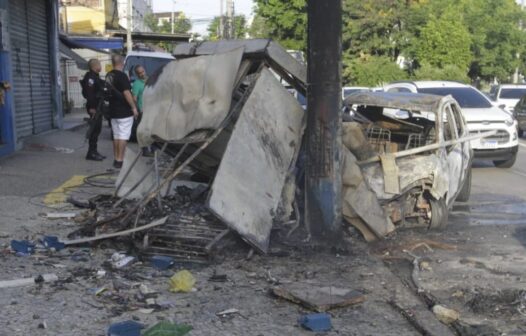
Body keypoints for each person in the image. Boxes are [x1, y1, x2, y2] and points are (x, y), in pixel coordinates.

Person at [106, 54, 138, 169]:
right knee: (123, 136)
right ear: (122, 62)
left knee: (116, 136)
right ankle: (120, 160)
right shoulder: (122, 75)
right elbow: (126, 93)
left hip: (113, 111)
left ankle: (116, 158)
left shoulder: (109, 75)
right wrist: (134, 107)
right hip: (124, 111)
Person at [82, 59, 106, 161]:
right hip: (94, 107)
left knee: (97, 129)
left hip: (98, 106)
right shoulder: (90, 78)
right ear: (95, 66)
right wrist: (92, 108)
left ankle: (94, 151)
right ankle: (91, 153)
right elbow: (90, 94)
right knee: (94, 130)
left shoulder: (95, 77)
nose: (101, 66)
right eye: (100, 64)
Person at [131, 65, 152, 156]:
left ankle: (153, 148)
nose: (142, 74)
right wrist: (136, 110)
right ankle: (145, 150)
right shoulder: (136, 83)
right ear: (137, 74)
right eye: (139, 73)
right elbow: (134, 98)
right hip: (142, 110)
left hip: (152, 109)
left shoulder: (150, 81)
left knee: (151, 130)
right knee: (143, 131)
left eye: (142, 71)